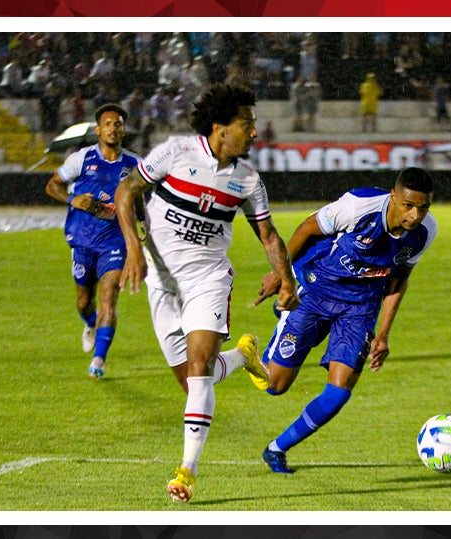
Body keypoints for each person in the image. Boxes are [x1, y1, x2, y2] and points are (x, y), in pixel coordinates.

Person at [113, 83, 300, 503]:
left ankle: (186, 472)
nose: (254, 133)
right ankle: (242, 357)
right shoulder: (175, 153)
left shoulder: (248, 180)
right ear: (220, 127)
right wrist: (132, 248)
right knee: (198, 379)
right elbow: (126, 192)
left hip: (208, 280)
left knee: (199, 370)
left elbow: (268, 235)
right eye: (246, 124)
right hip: (162, 283)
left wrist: (286, 281)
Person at [251, 167, 437, 474]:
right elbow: (307, 228)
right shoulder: (357, 207)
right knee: (275, 385)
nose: (416, 215)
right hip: (315, 289)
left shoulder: (425, 233)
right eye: (408, 205)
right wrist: (282, 277)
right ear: (394, 197)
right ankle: (264, 337)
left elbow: (398, 280)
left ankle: (276, 449)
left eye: (423, 207)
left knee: (339, 391)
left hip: (360, 308)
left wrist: (384, 334)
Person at [45, 103, 140, 379]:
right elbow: (52, 185)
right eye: (108, 123)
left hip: (115, 240)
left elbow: (139, 194)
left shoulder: (134, 164)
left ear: (123, 130)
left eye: (118, 123)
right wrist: (74, 199)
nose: (113, 127)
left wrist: (142, 220)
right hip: (83, 239)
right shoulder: (81, 159)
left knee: (108, 297)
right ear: (98, 130)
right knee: (83, 302)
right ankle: (90, 323)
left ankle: (99, 359)